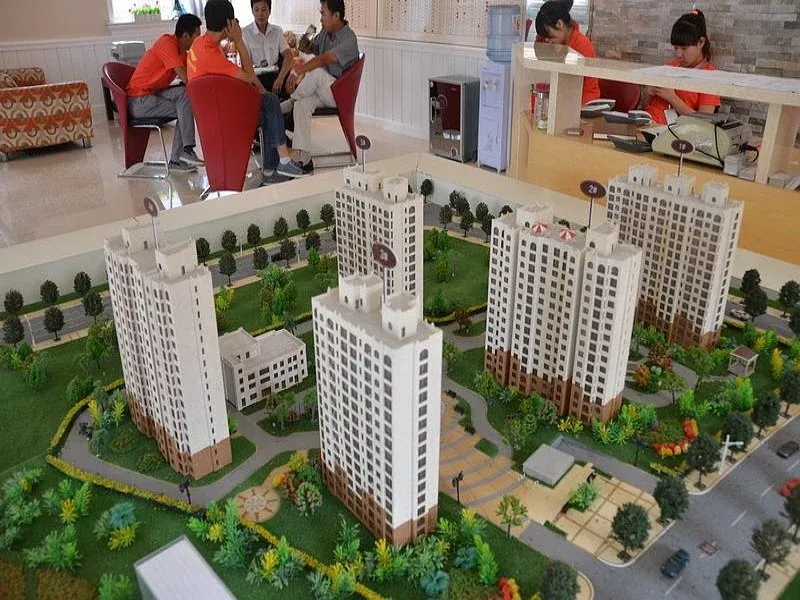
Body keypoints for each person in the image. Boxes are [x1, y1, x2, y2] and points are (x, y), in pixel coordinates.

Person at [188, 0, 305, 179]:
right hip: (225, 118)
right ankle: (281, 162)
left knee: (269, 105)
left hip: (210, 116)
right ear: (229, 23)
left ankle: (273, 168)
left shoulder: (198, 43)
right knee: (270, 103)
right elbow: (250, 76)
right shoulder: (212, 54)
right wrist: (239, 41)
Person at [282, 0, 360, 173]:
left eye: (323, 14)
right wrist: (306, 39)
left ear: (336, 16)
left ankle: (289, 102)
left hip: (340, 95)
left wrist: (297, 72)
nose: (321, 18)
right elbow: (308, 50)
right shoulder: (325, 33)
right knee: (302, 106)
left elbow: (323, 59)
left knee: (317, 73)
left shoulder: (349, 39)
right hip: (325, 91)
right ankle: (304, 159)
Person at [126, 13, 204, 172]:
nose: (199, 40)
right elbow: (184, 76)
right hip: (139, 101)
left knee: (183, 95)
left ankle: (180, 156)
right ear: (185, 36)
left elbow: (194, 74)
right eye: (197, 36)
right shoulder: (166, 43)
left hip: (152, 94)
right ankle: (183, 152)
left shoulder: (182, 53)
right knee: (185, 107)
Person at [644, 10, 720, 125]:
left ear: (701, 42)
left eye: (684, 48)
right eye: (676, 48)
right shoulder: (669, 67)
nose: (678, 54)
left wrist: (672, 98)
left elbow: (704, 123)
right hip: (647, 123)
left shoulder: (710, 76)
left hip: (671, 132)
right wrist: (650, 94)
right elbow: (647, 107)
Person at [535, 0, 600, 105]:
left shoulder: (582, 46)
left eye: (550, 36)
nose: (547, 41)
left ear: (560, 24)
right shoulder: (545, 40)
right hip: (552, 102)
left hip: (582, 104)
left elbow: (587, 91)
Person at [241, 0, 294, 96]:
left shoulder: (277, 31)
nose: (260, 14)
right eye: (256, 10)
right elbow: (245, 65)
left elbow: (288, 56)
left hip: (276, 77)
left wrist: (280, 78)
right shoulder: (245, 33)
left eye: (264, 9)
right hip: (257, 78)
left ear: (269, 11)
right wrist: (261, 88)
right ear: (252, 11)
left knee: (295, 90)